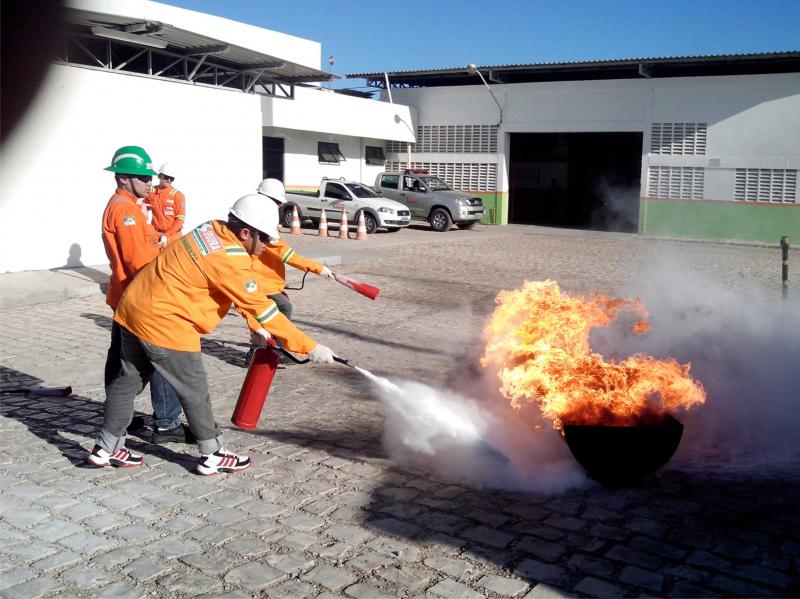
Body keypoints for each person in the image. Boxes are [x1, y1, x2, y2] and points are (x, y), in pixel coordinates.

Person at [87, 194, 338, 473]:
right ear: (245, 232)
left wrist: (256, 327)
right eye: (264, 238)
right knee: (194, 390)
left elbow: (236, 294)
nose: (267, 245)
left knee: (127, 382)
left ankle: (105, 449)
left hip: (133, 310)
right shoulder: (230, 260)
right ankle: (213, 453)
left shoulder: (210, 229)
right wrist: (311, 347)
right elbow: (262, 308)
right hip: (166, 323)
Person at [100, 146, 190, 444]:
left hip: (124, 296)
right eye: (144, 177)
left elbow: (146, 241)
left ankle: (117, 415)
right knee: (161, 358)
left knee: (121, 359)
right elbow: (137, 261)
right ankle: (166, 423)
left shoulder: (127, 206)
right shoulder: (125, 210)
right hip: (139, 296)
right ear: (124, 178)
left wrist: (161, 242)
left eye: (151, 177)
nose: (151, 182)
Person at [244, 178, 334, 364]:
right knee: (278, 310)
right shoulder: (259, 223)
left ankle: (269, 350)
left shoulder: (260, 215)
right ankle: (268, 352)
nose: (279, 206)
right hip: (261, 282)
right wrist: (318, 268)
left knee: (271, 313)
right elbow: (287, 255)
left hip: (266, 281)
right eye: (278, 202)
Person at [147, 162, 186, 247]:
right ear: (159, 176)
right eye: (167, 177)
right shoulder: (151, 192)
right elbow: (142, 209)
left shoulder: (178, 195)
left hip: (173, 236)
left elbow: (180, 220)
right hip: (156, 235)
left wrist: (166, 235)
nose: (169, 180)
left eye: (172, 178)